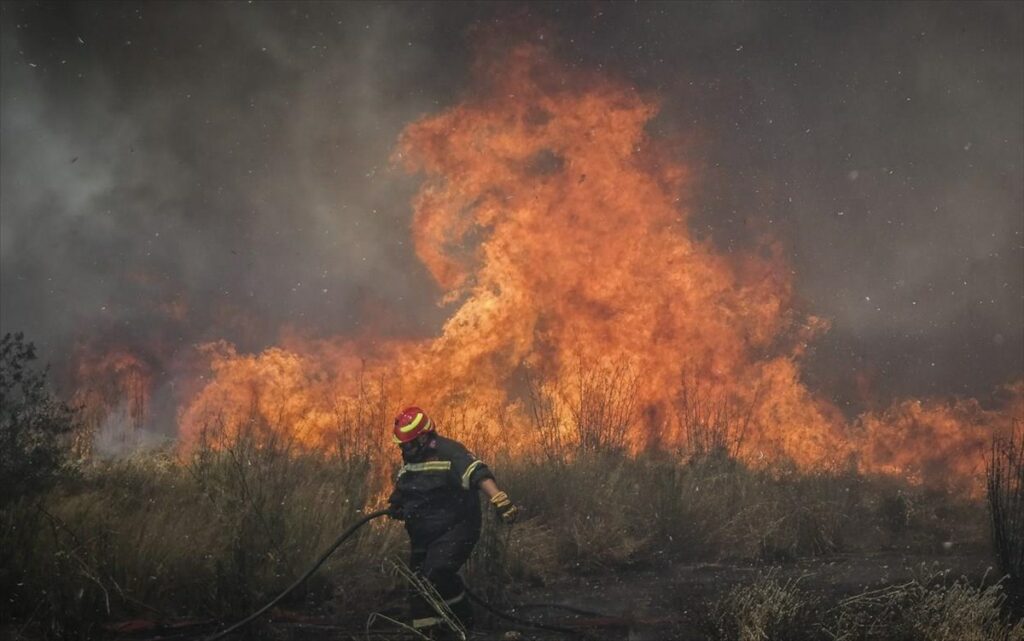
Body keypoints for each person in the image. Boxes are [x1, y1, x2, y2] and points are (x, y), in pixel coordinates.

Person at [386, 406, 518, 637]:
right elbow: (406, 486)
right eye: (401, 444)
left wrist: (498, 498)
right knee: (417, 585)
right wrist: (397, 505)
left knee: (437, 573)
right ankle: (428, 633)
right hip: (423, 534)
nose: (403, 448)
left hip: (456, 529)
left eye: (407, 444)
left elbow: (477, 472)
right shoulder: (410, 458)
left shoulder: (450, 452)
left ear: (424, 437)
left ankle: (462, 625)